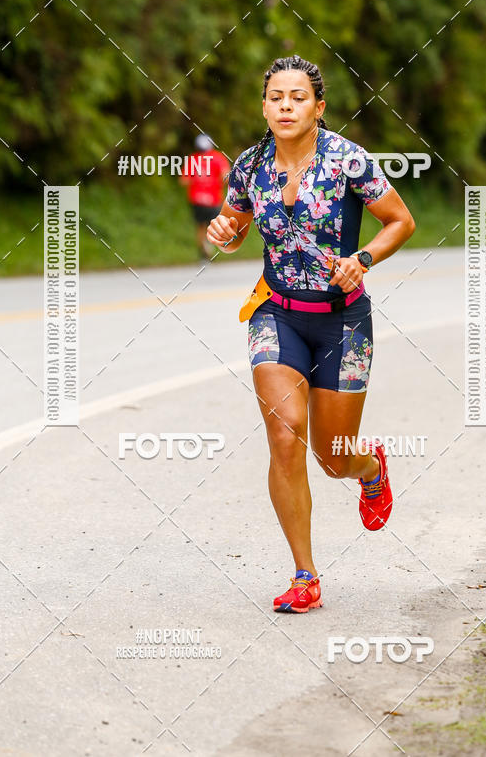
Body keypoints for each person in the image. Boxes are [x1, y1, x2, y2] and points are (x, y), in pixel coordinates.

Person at [206, 55, 416, 613]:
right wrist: (224, 231)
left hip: (344, 322)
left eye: (298, 97)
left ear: (318, 108)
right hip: (276, 312)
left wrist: (363, 257)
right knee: (283, 434)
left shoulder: (349, 161)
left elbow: (401, 221)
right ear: (265, 106)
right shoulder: (251, 166)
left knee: (333, 458)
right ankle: (305, 574)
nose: (286, 106)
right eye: (276, 97)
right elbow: (233, 229)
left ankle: (369, 467)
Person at [180, 134, 230, 258]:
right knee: (214, 224)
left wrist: (196, 180)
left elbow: (183, 181)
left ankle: (203, 252)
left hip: (196, 199)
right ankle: (210, 245)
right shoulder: (218, 158)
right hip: (213, 199)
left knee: (200, 226)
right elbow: (226, 177)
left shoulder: (193, 159)